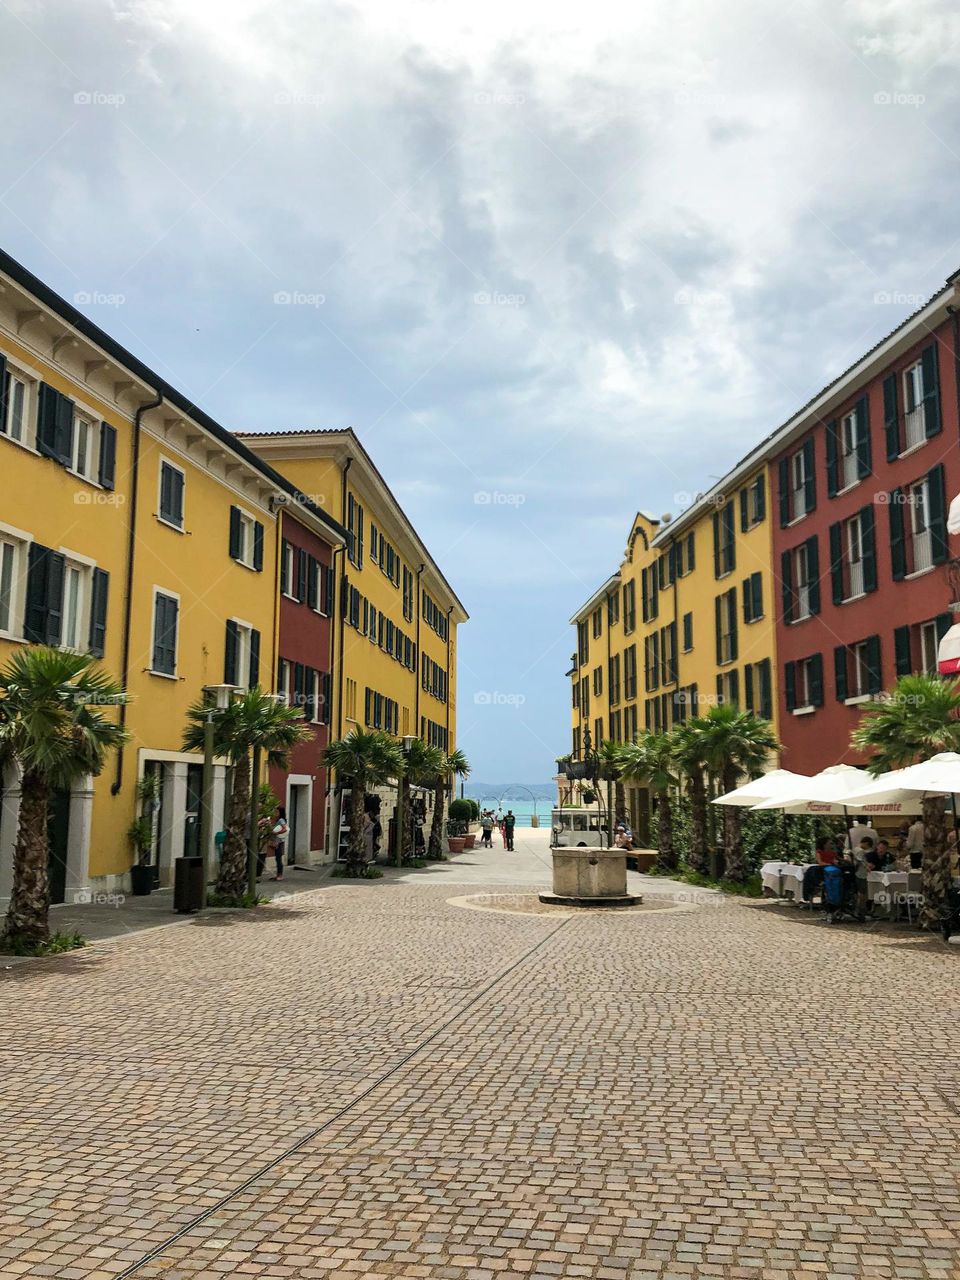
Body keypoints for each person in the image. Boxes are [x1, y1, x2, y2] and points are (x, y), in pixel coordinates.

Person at [267, 806, 289, 881]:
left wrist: (276, 832)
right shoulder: (278, 820)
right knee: (277, 857)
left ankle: (280, 875)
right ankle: (278, 874)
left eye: (277, 812)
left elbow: (284, 829)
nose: (275, 813)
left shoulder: (281, 820)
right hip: (277, 841)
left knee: (278, 858)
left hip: (278, 841)